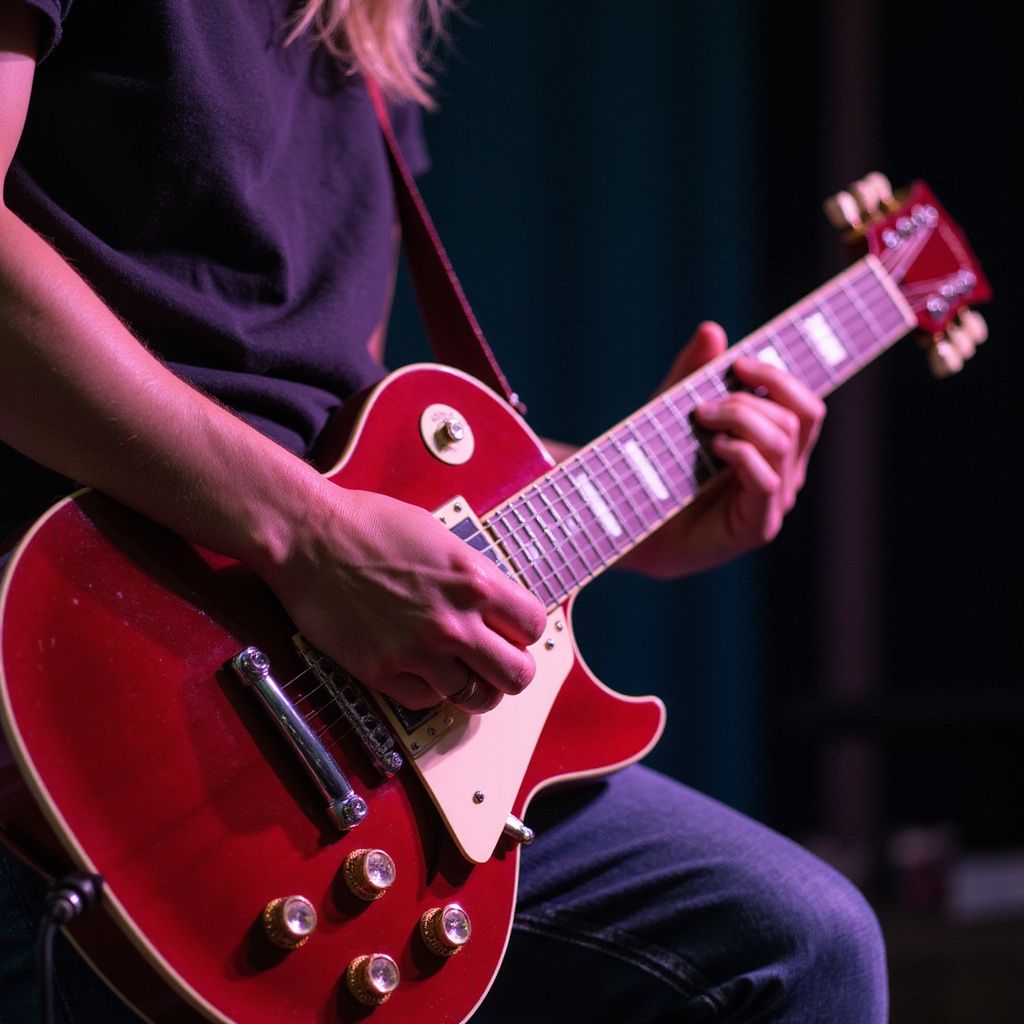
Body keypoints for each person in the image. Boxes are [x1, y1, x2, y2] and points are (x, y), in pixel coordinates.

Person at [0, 1, 887, 1021]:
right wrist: (310, 533)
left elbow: (342, 433)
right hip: (96, 674)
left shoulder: (357, 30)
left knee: (799, 946)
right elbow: (323, 514)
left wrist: (653, 500)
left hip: (332, 734)